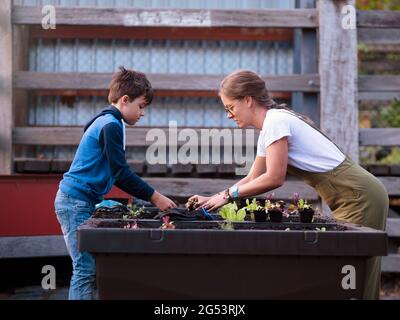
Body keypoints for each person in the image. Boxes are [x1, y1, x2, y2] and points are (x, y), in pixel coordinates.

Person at [188, 69, 388, 300]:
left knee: (353, 275)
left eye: (230, 107)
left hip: (359, 196)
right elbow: (253, 178)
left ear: (248, 100)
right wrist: (214, 197)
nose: (229, 115)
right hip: (353, 194)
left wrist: (227, 196)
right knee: (348, 273)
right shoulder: (270, 127)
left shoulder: (276, 121)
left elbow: (274, 178)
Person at [54, 66, 177, 300]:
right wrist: (155, 196)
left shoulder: (110, 121)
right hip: (74, 203)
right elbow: (120, 173)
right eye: (141, 106)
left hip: (82, 201)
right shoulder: (110, 125)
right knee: (84, 270)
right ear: (125, 100)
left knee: (89, 268)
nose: (142, 113)